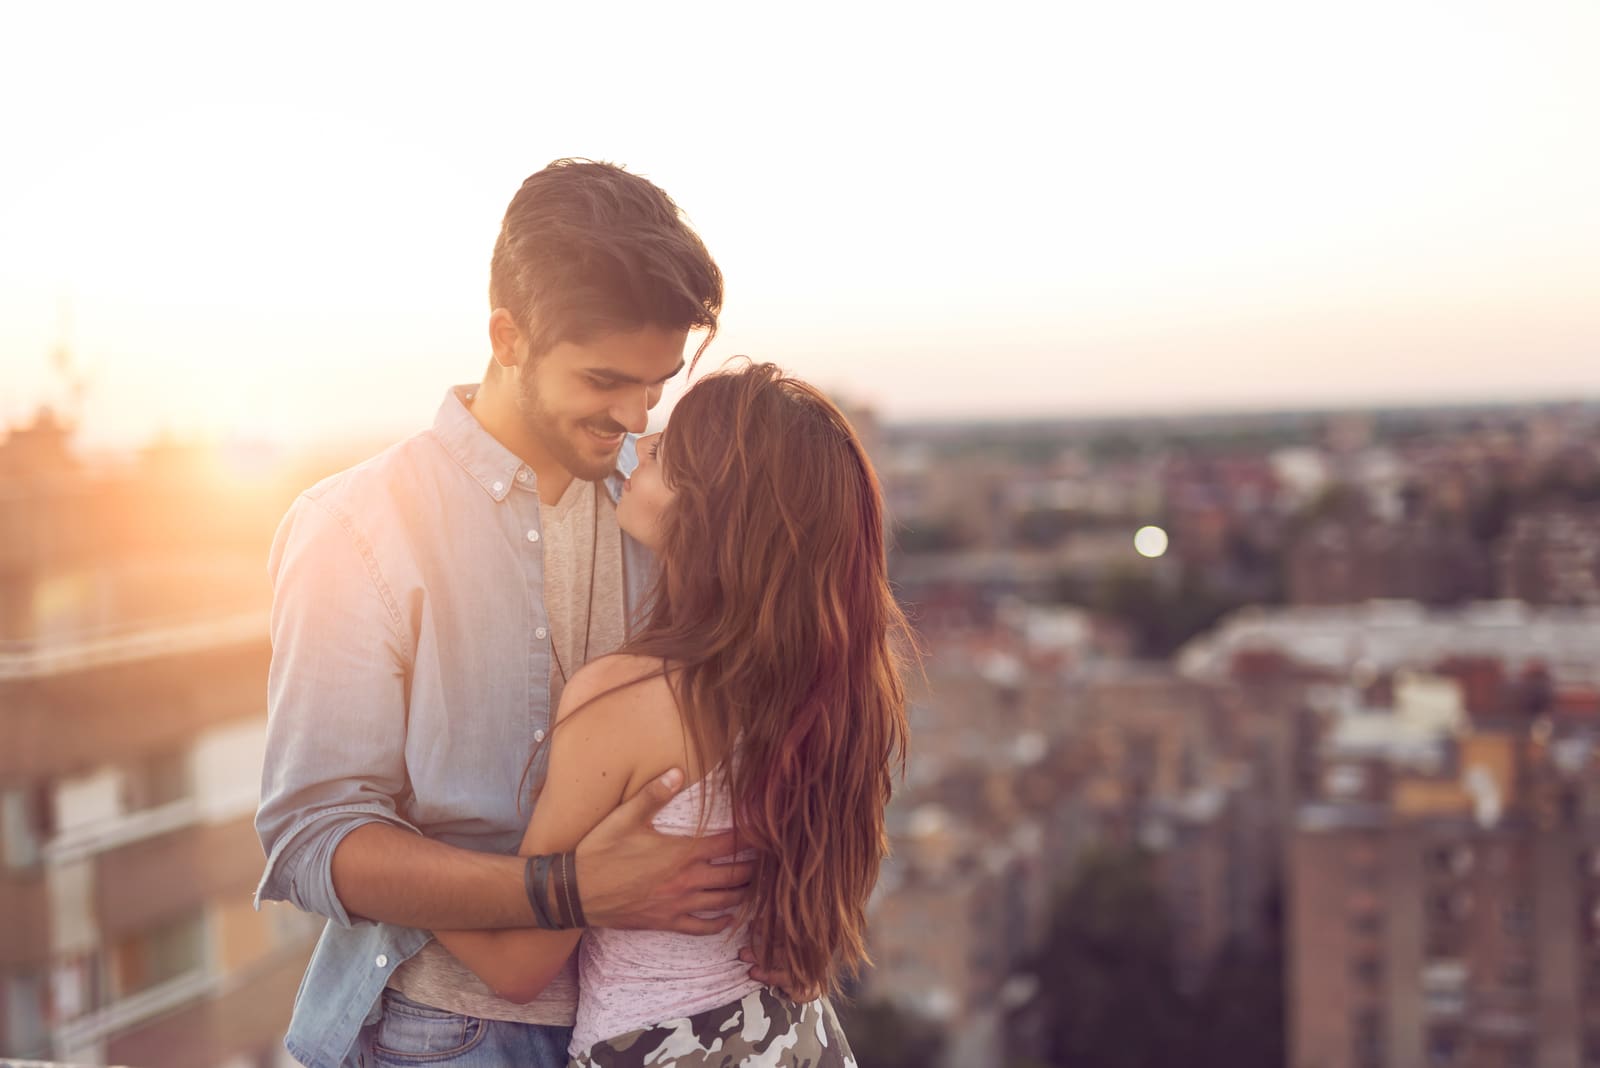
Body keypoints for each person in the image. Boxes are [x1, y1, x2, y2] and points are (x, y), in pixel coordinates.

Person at [255, 160, 777, 1068]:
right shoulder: (356, 526)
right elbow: (313, 838)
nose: (634, 414)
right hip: (441, 1035)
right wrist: (566, 891)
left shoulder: (667, 508)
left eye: (656, 384)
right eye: (605, 379)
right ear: (507, 336)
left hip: (652, 1030)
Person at [433, 361, 913, 1066]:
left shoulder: (628, 702)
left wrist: (383, 850)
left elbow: (517, 967)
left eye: (670, 451)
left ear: (715, 511)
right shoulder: (835, 689)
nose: (642, 445)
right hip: (792, 1039)